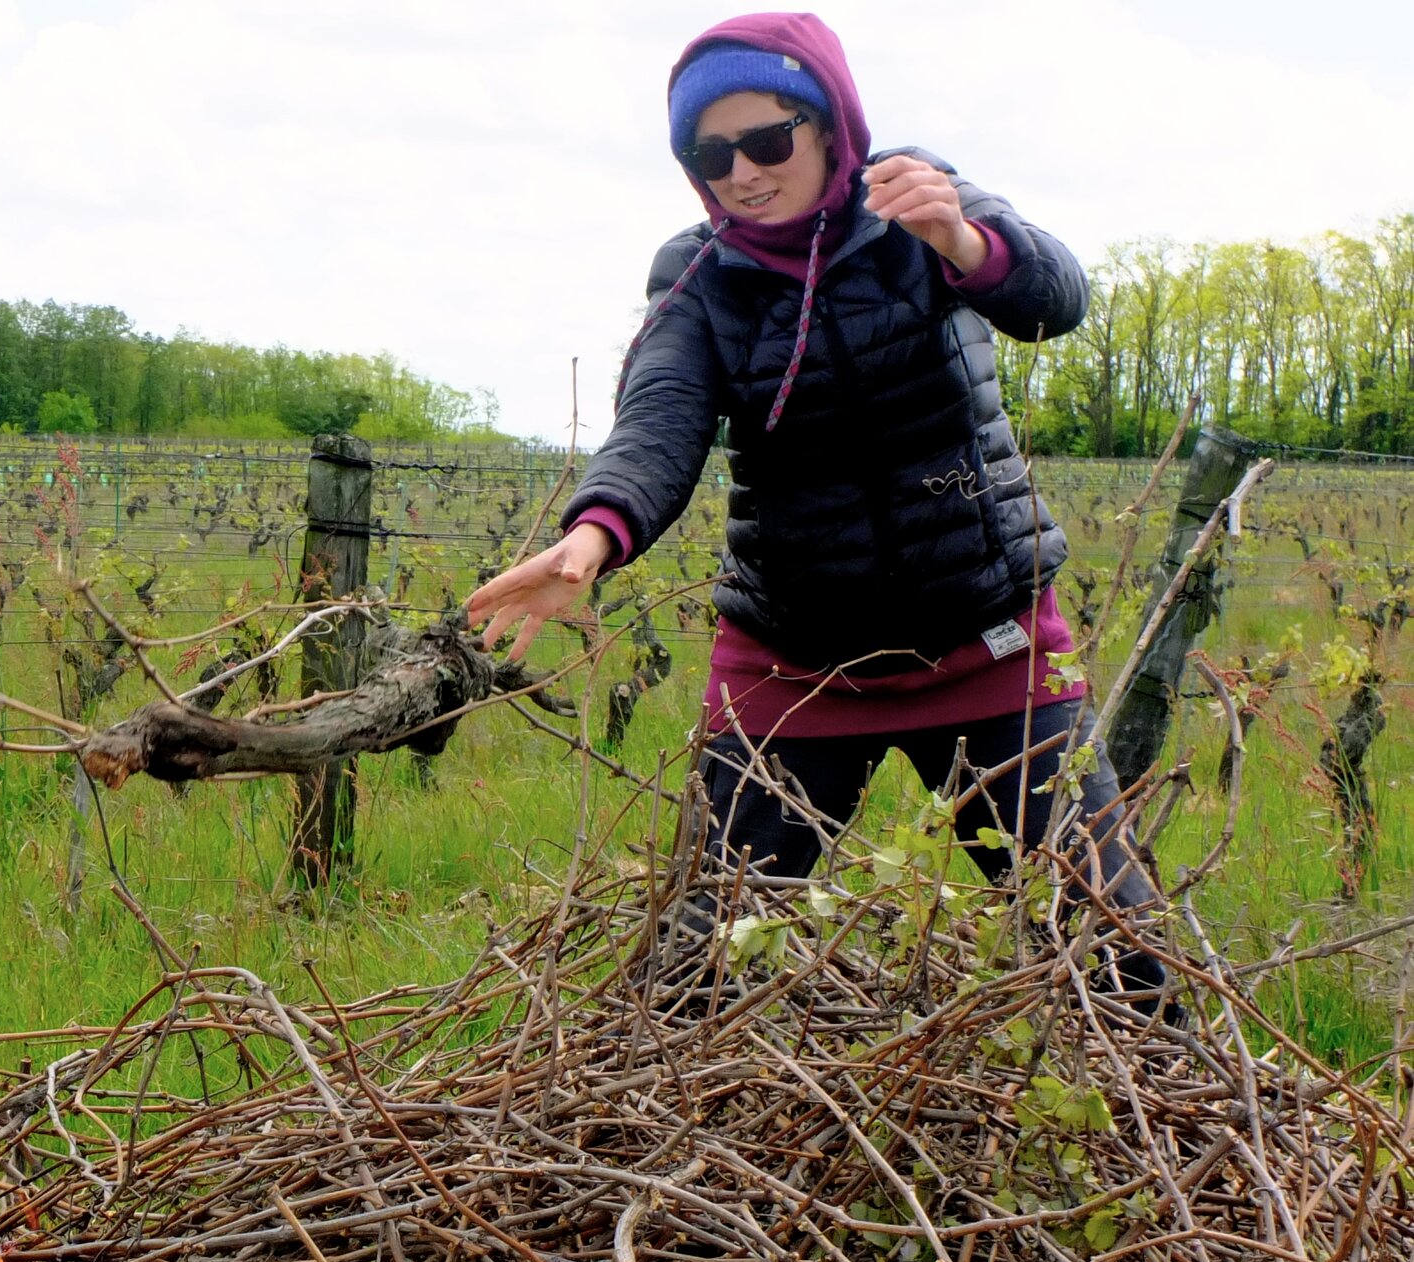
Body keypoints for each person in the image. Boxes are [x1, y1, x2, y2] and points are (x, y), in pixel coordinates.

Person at [467, 10, 1171, 1012]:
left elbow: (1054, 300)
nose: (742, 174)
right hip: (792, 667)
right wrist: (592, 539)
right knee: (700, 977)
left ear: (831, 123)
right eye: (710, 156)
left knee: (1118, 962)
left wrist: (961, 240)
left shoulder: (914, 196)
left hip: (989, 648)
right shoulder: (696, 273)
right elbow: (661, 413)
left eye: (767, 140)